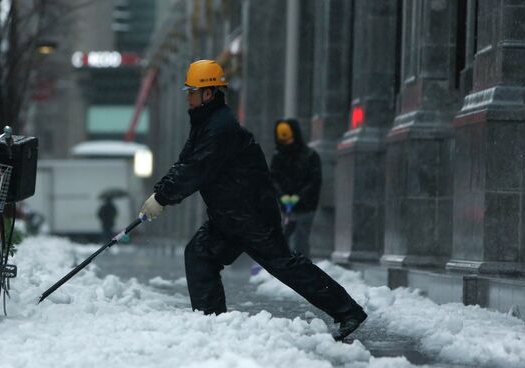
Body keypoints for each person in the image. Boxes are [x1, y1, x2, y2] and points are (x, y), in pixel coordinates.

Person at [138, 59, 366, 341]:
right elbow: (185, 163)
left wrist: (162, 197)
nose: (188, 96)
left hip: (251, 216)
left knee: (284, 264)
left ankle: (348, 311)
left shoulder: (220, 129)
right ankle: (213, 324)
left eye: (192, 91)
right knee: (199, 253)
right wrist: (160, 192)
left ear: (207, 93)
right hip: (230, 215)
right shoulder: (206, 123)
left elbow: (197, 168)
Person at [269, 119, 321, 258]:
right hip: (287, 207)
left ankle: (301, 269)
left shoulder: (310, 156)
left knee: (300, 241)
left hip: (306, 207)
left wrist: (299, 196)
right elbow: (273, 178)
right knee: (284, 238)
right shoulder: (278, 156)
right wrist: (282, 196)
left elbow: (314, 181)